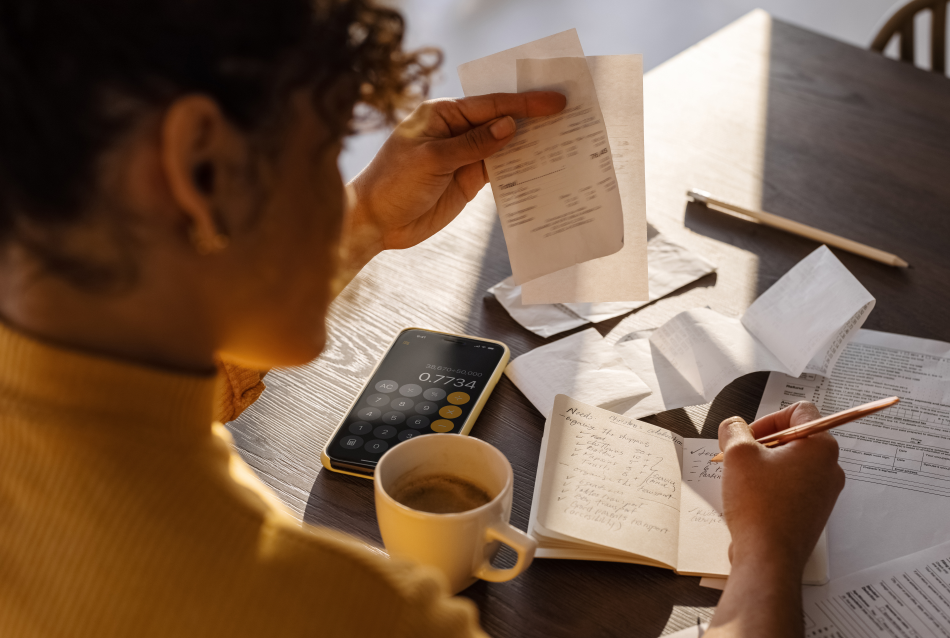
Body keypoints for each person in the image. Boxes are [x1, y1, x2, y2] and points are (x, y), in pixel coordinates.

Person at [0, 1, 845, 636]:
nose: (337, 180)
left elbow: (159, 378)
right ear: (200, 165)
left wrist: (363, 220)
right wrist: (768, 548)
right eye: (323, 149)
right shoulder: (332, 612)